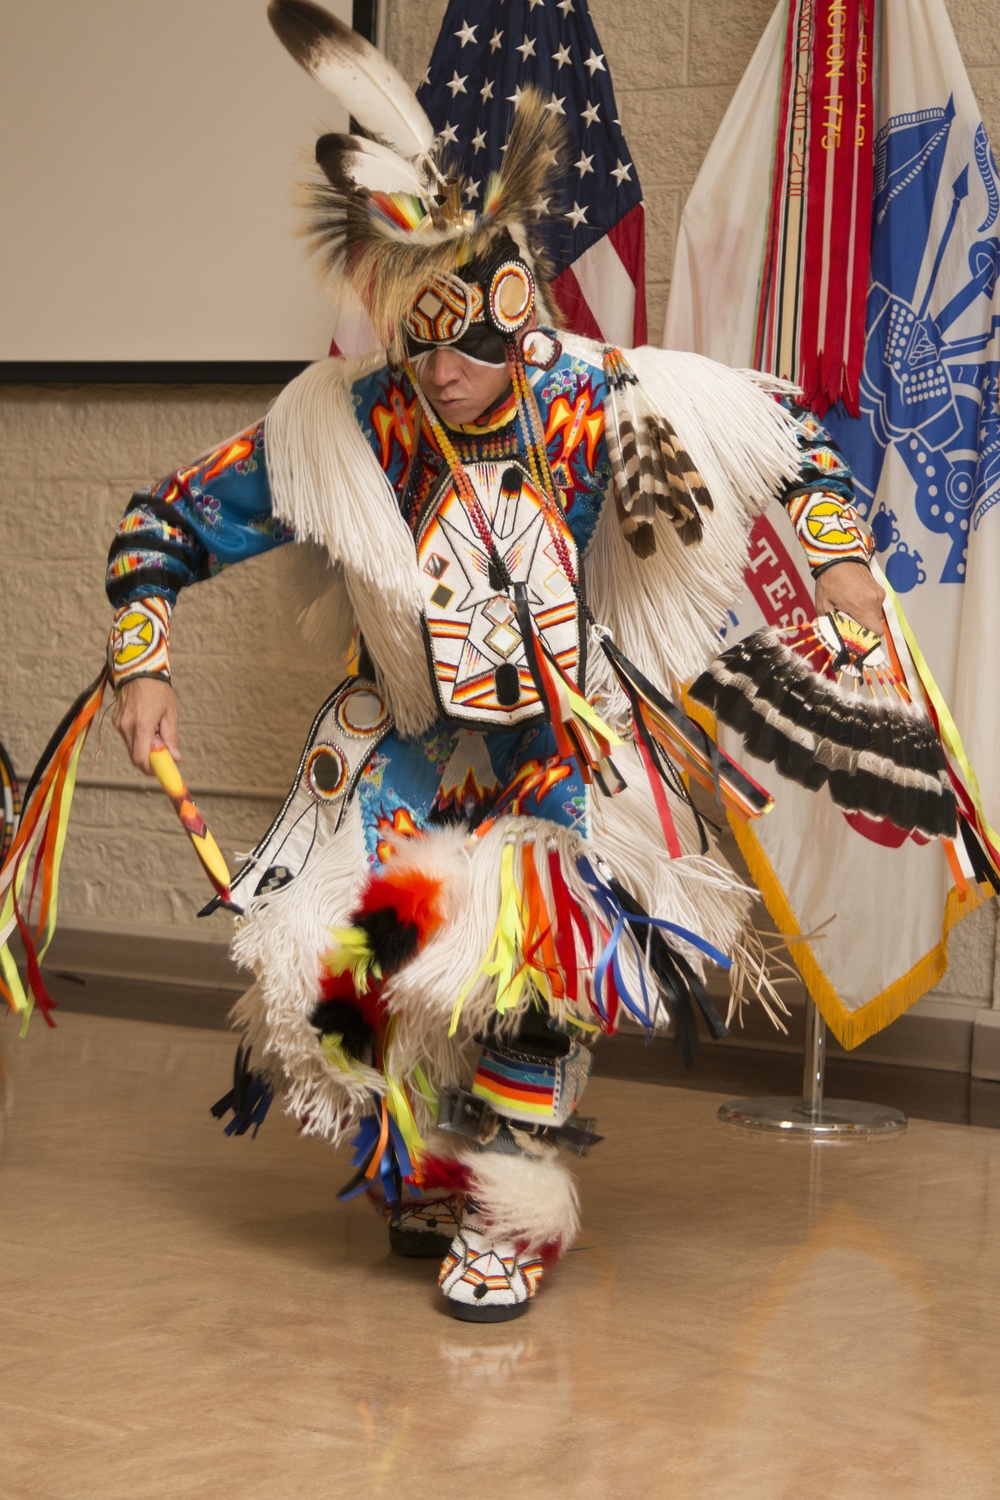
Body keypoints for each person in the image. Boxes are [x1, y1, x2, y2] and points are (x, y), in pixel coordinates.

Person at [102, 3, 884, 1322]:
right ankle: (429, 1150)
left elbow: (786, 437)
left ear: (519, 314)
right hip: (410, 740)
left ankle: (511, 1197)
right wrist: (142, 660)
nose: (446, 373)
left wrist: (841, 563)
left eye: (473, 344)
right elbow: (164, 521)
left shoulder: (598, 394)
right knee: (351, 979)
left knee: (539, 953)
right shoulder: (347, 425)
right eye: (420, 342)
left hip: (562, 747)